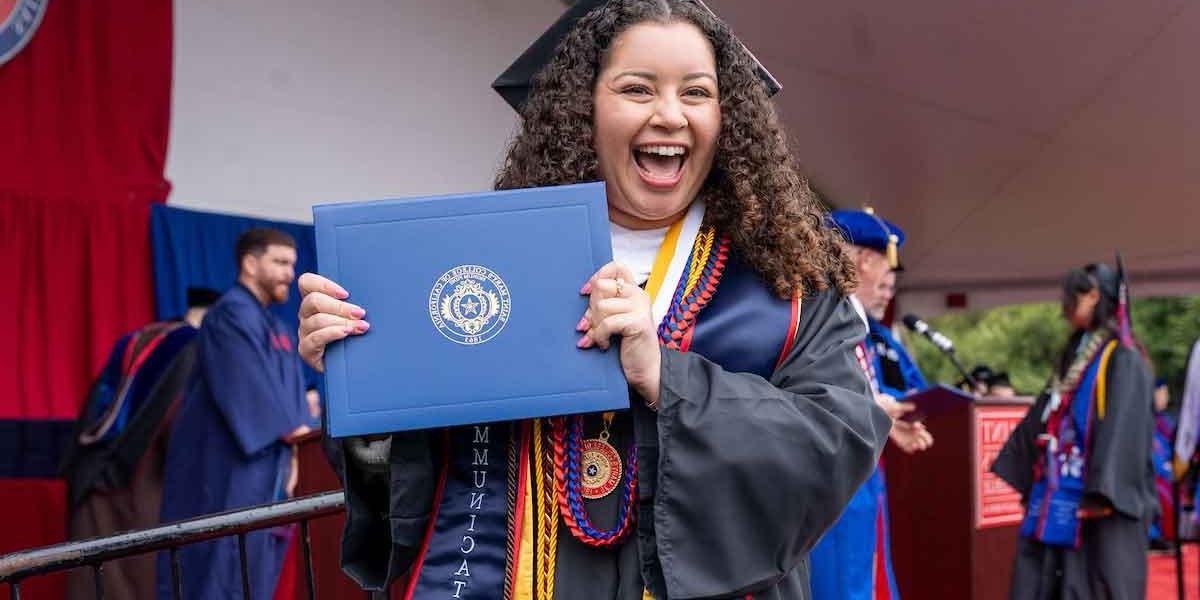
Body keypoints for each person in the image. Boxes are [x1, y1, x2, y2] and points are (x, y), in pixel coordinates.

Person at [299, 1, 891, 597]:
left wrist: (667, 376)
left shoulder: (787, 282)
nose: (669, 115)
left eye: (696, 93)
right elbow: (424, 466)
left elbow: (837, 441)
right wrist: (365, 388)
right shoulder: (485, 263)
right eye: (637, 89)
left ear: (727, 117)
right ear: (583, 106)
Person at [156, 229, 311, 600]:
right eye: (280, 262)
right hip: (229, 472)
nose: (290, 273)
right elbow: (250, 394)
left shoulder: (277, 325)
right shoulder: (228, 316)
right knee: (220, 573)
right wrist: (296, 434)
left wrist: (299, 442)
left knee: (252, 574)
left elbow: (293, 402)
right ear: (250, 263)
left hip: (267, 468)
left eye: (292, 264)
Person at [991, 262, 1156, 599]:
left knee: (1096, 583)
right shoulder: (1077, 353)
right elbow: (1047, 413)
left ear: (1093, 296)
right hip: (1062, 495)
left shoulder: (1123, 358)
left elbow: (1125, 432)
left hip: (1102, 507)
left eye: (1070, 297)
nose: (1062, 306)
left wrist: (1102, 490)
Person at [59, 287, 217, 599]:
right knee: (139, 573)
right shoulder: (193, 347)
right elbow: (182, 427)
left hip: (95, 475)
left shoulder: (140, 338)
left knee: (94, 573)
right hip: (144, 481)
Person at [809, 208, 933, 600]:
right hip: (832, 488)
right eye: (886, 269)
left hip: (860, 483)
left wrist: (890, 423)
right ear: (865, 260)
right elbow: (812, 400)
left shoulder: (855, 324)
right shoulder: (824, 318)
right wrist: (872, 411)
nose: (889, 284)